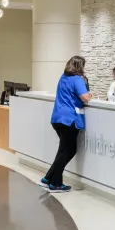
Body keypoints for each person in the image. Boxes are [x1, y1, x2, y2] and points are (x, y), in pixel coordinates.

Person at [41, 56, 93, 193]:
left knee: (63, 150)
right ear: (80, 66)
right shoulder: (77, 79)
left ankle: (48, 178)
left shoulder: (63, 78)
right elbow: (85, 97)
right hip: (69, 119)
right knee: (69, 150)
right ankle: (56, 183)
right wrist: (90, 95)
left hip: (57, 118)